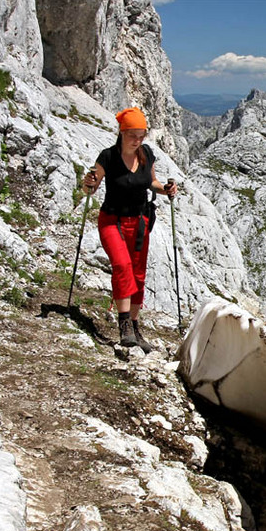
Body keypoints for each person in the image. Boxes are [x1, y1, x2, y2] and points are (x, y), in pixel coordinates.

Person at [82, 107, 177, 351]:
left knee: (138, 275)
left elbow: (152, 182)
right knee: (122, 266)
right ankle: (124, 325)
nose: (137, 140)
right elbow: (91, 187)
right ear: (122, 133)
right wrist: (88, 183)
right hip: (112, 220)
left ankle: (135, 326)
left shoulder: (146, 154)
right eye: (132, 135)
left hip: (139, 222)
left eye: (141, 135)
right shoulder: (108, 157)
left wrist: (165, 189)